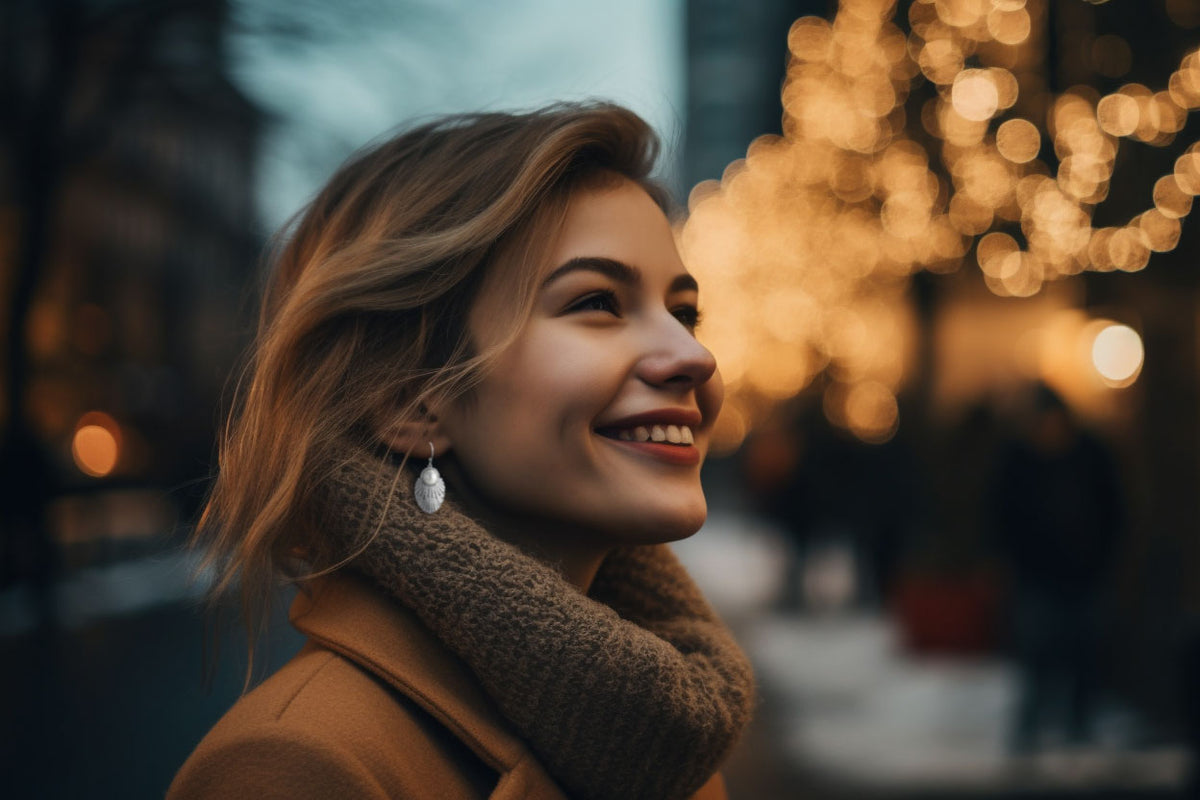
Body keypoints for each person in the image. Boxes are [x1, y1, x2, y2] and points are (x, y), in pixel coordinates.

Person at [168, 103, 755, 800]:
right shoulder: (295, 767)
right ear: (410, 402)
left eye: (685, 312)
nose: (692, 355)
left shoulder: (653, 744)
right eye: (597, 301)